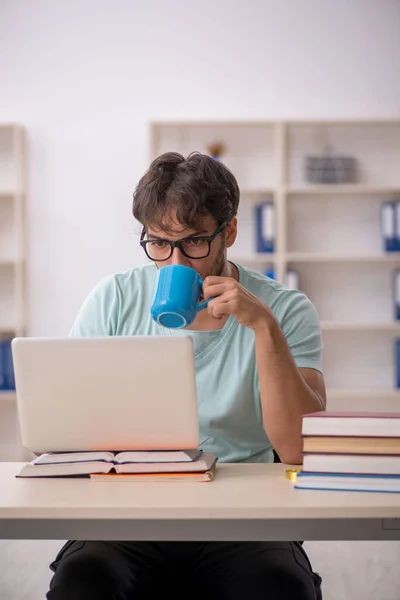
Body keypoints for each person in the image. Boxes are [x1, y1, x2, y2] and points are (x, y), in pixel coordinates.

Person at [47, 151, 326, 600]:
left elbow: (299, 448)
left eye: (193, 242)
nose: (175, 263)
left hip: (243, 515)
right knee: (83, 580)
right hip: (129, 511)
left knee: (279, 587)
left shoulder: (286, 309)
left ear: (228, 231)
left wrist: (263, 328)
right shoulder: (114, 298)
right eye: (159, 243)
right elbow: (67, 428)